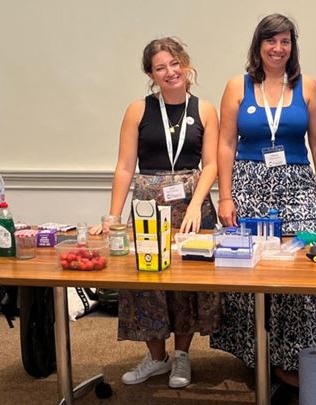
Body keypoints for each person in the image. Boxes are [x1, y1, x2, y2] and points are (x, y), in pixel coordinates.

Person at [210, 13, 316, 387]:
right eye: (271, 41)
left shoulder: (307, 85)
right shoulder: (237, 86)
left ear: (292, 46)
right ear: (258, 45)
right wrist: (226, 196)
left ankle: (295, 356)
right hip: (248, 184)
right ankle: (259, 355)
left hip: (297, 183)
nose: (278, 49)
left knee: (300, 270)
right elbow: (226, 143)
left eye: (285, 41)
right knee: (252, 269)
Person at [104, 37, 221, 389]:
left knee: (186, 284)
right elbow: (125, 167)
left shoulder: (205, 109)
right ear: (151, 75)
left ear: (185, 64)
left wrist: (198, 205)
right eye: (160, 67)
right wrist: (113, 217)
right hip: (147, 206)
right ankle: (156, 357)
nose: (170, 72)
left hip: (190, 206)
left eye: (174, 63)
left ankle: (182, 356)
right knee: (145, 283)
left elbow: (212, 163)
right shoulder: (137, 110)